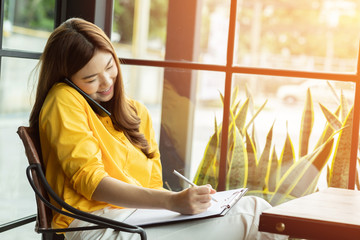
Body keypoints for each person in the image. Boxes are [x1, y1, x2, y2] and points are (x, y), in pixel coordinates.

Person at [29, 18, 287, 240]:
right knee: (256, 214)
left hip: (141, 220)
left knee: (247, 209)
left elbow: (153, 185)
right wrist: (171, 202)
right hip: (95, 225)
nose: (106, 82)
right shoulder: (63, 98)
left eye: (110, 67)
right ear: (67, 79)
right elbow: (92, 183)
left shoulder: (136, 113)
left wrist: (187, 202)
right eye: (90, 78)